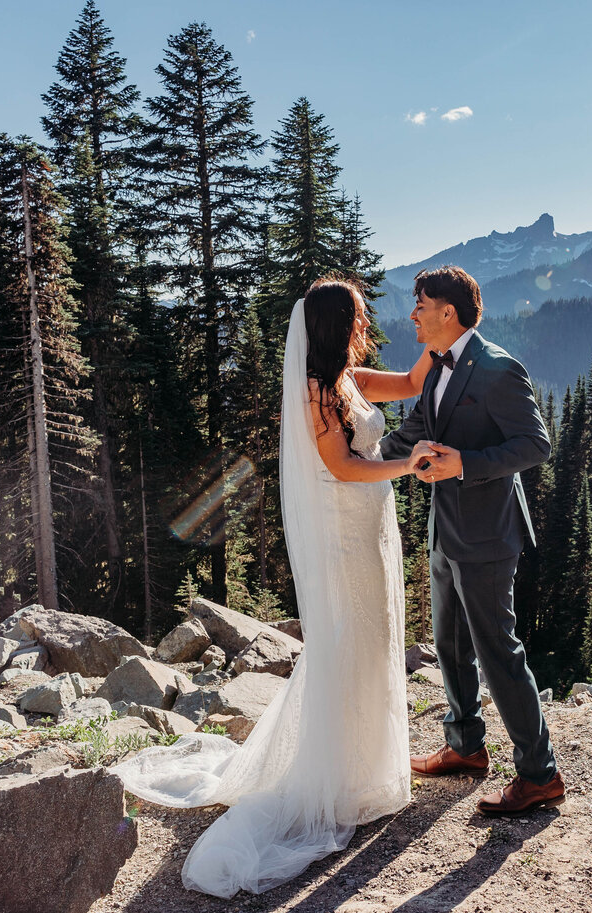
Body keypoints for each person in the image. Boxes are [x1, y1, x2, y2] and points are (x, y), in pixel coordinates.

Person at [113, 277, 435, 897]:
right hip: (346, 529)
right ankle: (339, 775)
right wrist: (408, 464)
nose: (368, 320)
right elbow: (341, 466)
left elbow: (414, 383)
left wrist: (448, 332)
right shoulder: (318, 390)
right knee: (349, 639)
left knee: (373, 639)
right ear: (340, 324)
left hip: (371, 525)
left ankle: (367, 768)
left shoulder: (349, 377)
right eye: (360, 315)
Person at [380, 265, 564, 816]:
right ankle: (465, 746)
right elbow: (415, 432)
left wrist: (465, 465)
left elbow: (536, 445)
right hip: (445, 533)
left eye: (420, 304)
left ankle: (539, 773)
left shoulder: (498, 369)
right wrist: (353, 463)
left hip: (487, 536)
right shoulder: (437, 365)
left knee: (498, 653)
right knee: (450, 645)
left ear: (448, 313)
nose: (412, 313)